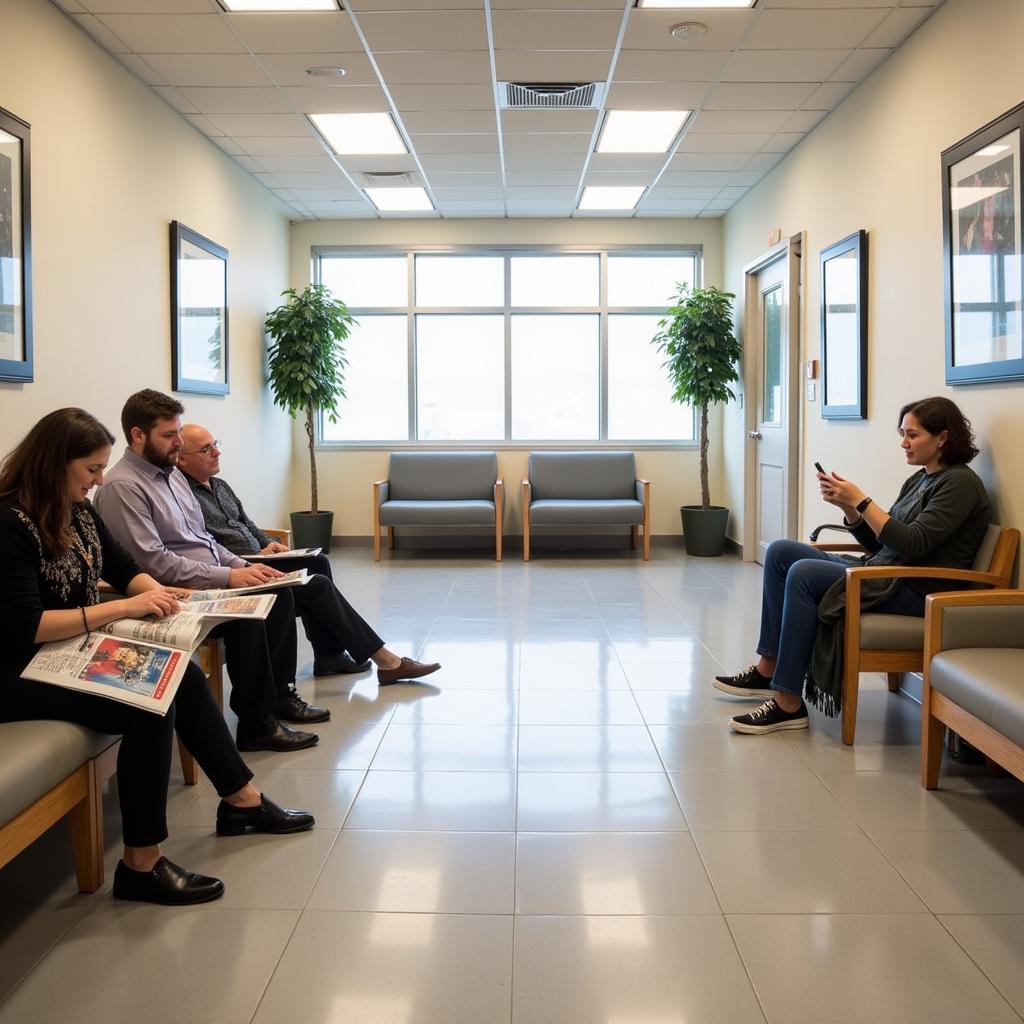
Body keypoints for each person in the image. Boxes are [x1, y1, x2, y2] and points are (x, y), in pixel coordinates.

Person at [0, 408, 315, 906]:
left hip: (62, 648)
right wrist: (125, 609)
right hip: (16, 667)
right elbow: (26, 625)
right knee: (151, 701)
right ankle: (140, 866)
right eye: (91, 470)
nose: (100, 480)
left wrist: (167, 597)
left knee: (181, 675)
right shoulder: (8, 522)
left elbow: (126, 569)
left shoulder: (77, 509)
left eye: (103, 468)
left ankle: (241, 801)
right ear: (53, 464)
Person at [93, 392, 440, 731]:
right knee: (279, 595)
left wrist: (242, 566)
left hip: (217, 573)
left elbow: (206, 540)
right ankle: (271, 707)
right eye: (170, 435)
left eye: (179, 433)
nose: (178, 442)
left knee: (309, 582)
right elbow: (153, 564)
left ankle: (316, 680)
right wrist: (228, 575)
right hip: (179, 590)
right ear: (137, 435)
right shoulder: (123, 488)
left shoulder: (170, 477)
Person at [714, 396, 992, 735]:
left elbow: (912, 543)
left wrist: (861, 499)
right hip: (888, 572)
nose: (903, 443)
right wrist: (850, 510)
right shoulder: (920, 480)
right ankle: (768, 666)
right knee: (781, 551)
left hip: (917, 589)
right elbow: (884, 544)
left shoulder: (960, 484)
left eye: (912, 435)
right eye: (902, 433)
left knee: (803, 572)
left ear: (943, 438)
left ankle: (788, 703)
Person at [175, 423, 369, 675]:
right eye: (206, 449)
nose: (216, 453)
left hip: (259, 557)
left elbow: (247, 524)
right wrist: (246, 559)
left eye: (215, 445)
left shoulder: (220, 486)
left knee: (317, 561)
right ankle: (333, 655)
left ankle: (328, 654)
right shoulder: (184, 496)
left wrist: (267, 543)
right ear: (182, 460)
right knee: (316, 584)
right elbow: (203, 545)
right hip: (238, 567)